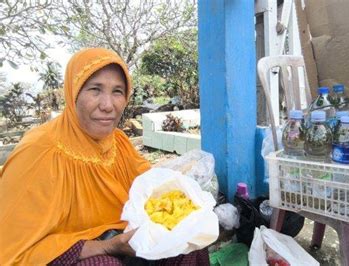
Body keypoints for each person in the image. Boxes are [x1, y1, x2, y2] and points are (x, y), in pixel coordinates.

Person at [0, 48, 209, 265]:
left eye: (117, 91)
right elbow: (14, 248)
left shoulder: (117, 142)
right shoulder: (40, 151)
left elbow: (148, 188)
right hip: (68, 254)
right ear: (74, 94)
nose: (108, 105)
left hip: (120, 240)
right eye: (95, 89)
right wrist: (107, 246)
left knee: (187, 245)